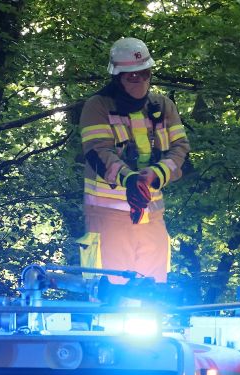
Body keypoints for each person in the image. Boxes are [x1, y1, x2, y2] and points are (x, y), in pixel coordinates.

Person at [78, 36, 189, 283]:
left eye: (144, 73)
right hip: (108, 221)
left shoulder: (163, 105)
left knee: (154, 294)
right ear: (117, 77)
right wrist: (129, 180)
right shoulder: (98, 106)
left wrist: (156, 174)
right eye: (131, 75)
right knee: (110, 295)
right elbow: (98, 151)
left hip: (152, 219)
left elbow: (181, 149)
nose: (139, 79)